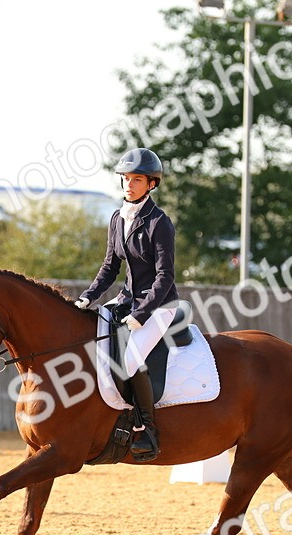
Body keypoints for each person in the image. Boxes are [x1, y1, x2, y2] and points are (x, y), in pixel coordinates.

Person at [75, 147, 179, 463]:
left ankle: (149, 431)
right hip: (127, 301)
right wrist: (89, 296)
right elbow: (109, 266)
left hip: (159, 306)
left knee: (131, 361)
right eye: (126, 178)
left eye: (137, 179)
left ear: (151, 184)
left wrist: (141, 313)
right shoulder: (117, 218)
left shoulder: (159, 222)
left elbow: (165, 276)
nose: (129, 184)